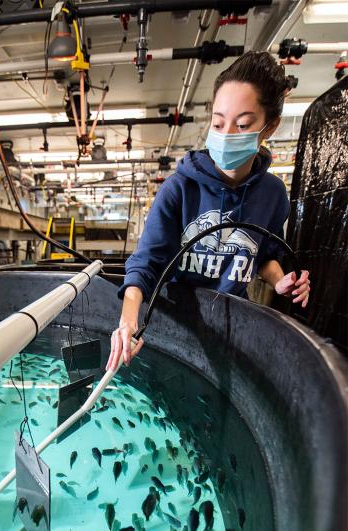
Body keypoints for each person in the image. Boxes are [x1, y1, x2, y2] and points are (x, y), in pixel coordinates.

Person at [106, 51, 311, 371]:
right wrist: (127, 322)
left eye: (243, 124)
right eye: (218, 122)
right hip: (174, 326)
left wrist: (281, 281)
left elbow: (265, 255)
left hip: (232, 330)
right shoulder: (179, 189)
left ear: (270, 127)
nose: (227, 134)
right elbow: (145, 265)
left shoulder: (272, 195)